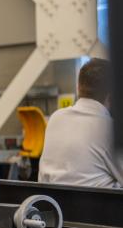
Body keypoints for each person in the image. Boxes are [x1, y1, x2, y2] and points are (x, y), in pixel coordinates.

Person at [39, 58, 123, 188]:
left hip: (53, 206)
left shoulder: (56, 118)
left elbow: (42, 179)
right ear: (111, 95)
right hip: (98, 207)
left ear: (78, 87)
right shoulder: (110, 128)